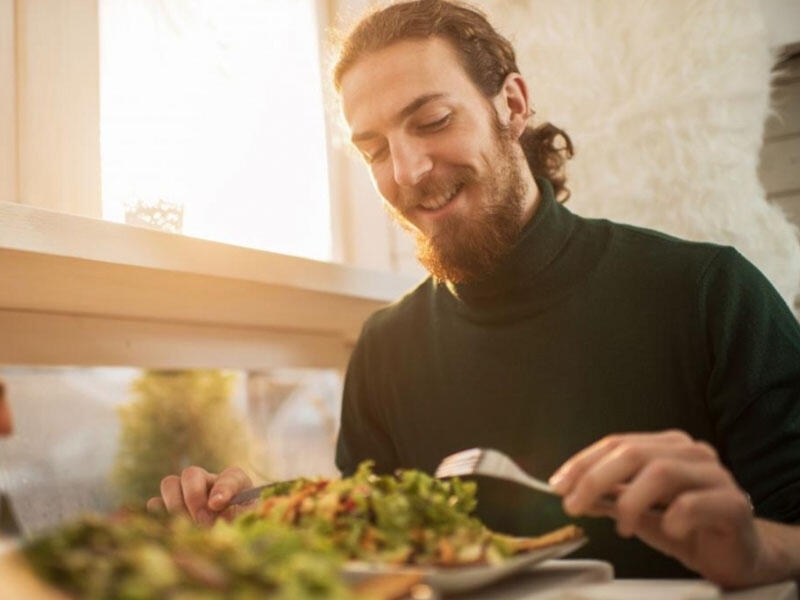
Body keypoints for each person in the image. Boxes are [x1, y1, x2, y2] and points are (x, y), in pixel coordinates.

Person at [149, 0, 800, 587]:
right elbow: (376, 557)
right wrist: (261, 525)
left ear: (512, 105)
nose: (406, 172)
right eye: (374, 149)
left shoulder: (711, 294)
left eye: (431, 120)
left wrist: (756, 551)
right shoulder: (385, 348)